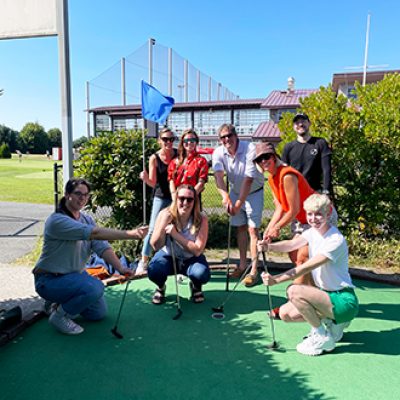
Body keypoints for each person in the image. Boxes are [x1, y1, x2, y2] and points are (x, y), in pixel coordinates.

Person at [33, 178, 148, 335]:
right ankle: (59, 316)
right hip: (48, 280)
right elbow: (95, 233)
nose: (83, 198)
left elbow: (102, 246)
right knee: (95, 287)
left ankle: (56, 304)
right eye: (78, 193)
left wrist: (120, 268)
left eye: (86, 195)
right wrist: (133, 234)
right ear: (67, 195)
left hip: (73, 277)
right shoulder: (57, 221)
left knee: (97, 313)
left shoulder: (86, 219)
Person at [258, 194, 359, 356]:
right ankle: (332, 322)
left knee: (294, 291)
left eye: (319, 213)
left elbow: (305, 268)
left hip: (344, 300)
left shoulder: (335, 240)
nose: (313, 218)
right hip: (325, 295)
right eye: (310, 214)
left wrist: (275, 280)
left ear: (328, 213)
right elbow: (291, 244)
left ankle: (321, 335)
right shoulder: (312, 232)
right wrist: (268, 247)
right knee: (285, 314)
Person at [212, 124, 264, 287]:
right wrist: (225, 197)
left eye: (229, 136)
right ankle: (242, 265)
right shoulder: (218, 152)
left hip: (254, 191)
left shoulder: (249, 148)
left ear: (236, 136)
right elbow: (219, 176)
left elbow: (248, 179)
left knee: (252, 231)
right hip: (235, 191)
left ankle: (254, 271)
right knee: (240, 228)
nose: (227, 140)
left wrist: (238, 203)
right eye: (223, 137)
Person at [148, 184, 210, 304]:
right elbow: (155, 245)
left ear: (194, 202)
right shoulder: (164, 214)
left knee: (201, 274)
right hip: (168, 256)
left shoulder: (201, 219)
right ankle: (161, 287)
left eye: (190, 199)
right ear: (176, 199)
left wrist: (175, 234)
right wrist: (163, 225)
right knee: (154, 270)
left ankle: (196, 286)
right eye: (181, 198)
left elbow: (197, 250)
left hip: (191, 259)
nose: (185, 202)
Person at [137, 127, 177, 274]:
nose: (168, 142)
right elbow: (153, 182)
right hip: (161, 196)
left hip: (176, 197)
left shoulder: (178, 155)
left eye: (171, 139)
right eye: (165, 139)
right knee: (153, 228)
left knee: (175, 229)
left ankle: (176, 262)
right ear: (159, 141)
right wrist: (145, 178)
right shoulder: (154, 158)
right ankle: (143, 261)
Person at [282, 113, 332, 196]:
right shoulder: (288, 147)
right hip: (294, 193)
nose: (300, 124)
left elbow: (326, 170)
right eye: (297, 123)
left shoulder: (320, 143)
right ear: (294, 127)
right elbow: (283, 173)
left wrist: (326, 192)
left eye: (303, 121)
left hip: (315, 193)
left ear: (309, 123)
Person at [168, 128, 209, 198]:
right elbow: (171, 180)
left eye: (192, 140)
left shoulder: (202, 161)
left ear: (196, 142)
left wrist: (189, 198)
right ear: (182, 142)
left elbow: (201, 182)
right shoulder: (175, 161)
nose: (189, 143)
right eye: (186, 140)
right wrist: (174, 196)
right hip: (177, 198)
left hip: (193, 198)